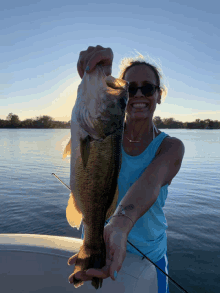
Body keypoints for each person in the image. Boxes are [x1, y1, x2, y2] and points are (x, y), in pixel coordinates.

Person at [68, 45, 185, 293]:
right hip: (99, 250)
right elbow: (96, 107)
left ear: (159, 95)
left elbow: (150, 182)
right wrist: (98, 71)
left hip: (148, 261)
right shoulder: (102, 132)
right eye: (130, 88)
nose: (138, 95)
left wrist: (119, 226)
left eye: (148, 88)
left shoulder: (171, 147)